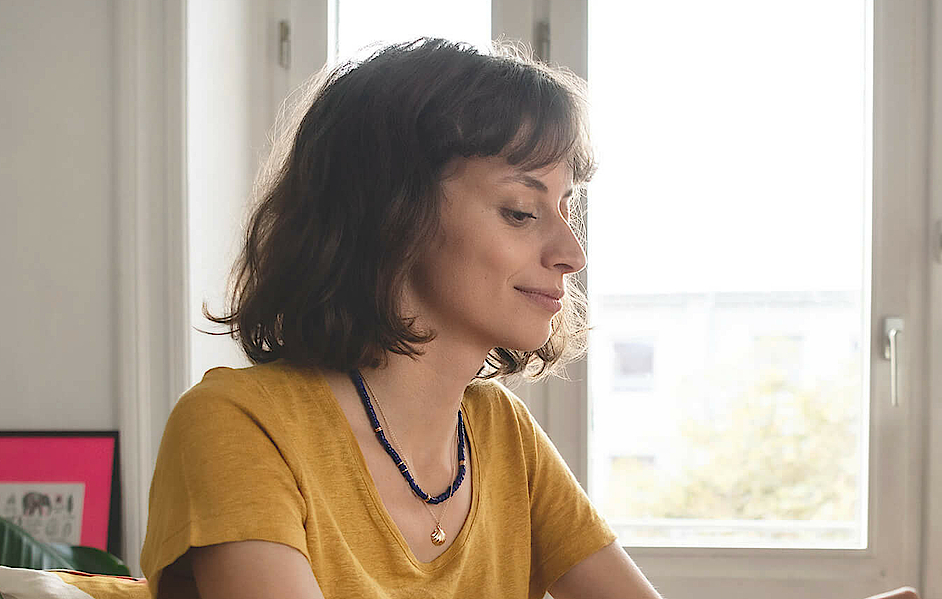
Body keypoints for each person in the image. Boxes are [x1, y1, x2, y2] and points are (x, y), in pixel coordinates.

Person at [138, 37, 660, 599]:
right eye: (522, 211)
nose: (573, 252)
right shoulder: (239, 424)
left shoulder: (502, 434)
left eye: (567, 208)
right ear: (394, 215)